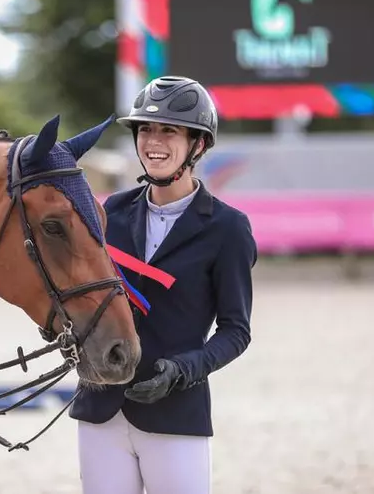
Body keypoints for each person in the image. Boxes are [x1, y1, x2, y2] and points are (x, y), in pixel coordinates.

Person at [69, 76, 258, 494]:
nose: (153, 140)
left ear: (199, 144)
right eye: (146, 129)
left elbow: (235, 331)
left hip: (175, 412)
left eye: (169, 130)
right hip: (101, 408)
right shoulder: (110, 212)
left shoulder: (228, 229)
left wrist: (183, 370)